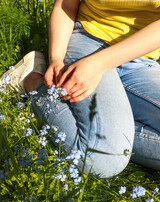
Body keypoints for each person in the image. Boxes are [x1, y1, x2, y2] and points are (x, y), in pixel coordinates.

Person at [1, 0, 160, 178]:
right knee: (103, 160)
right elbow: (66, 6)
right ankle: (32, 82)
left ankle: (117, 125)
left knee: (107, 147)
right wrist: (56, 58)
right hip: (87, 42)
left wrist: (101, 64)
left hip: (140, 59)